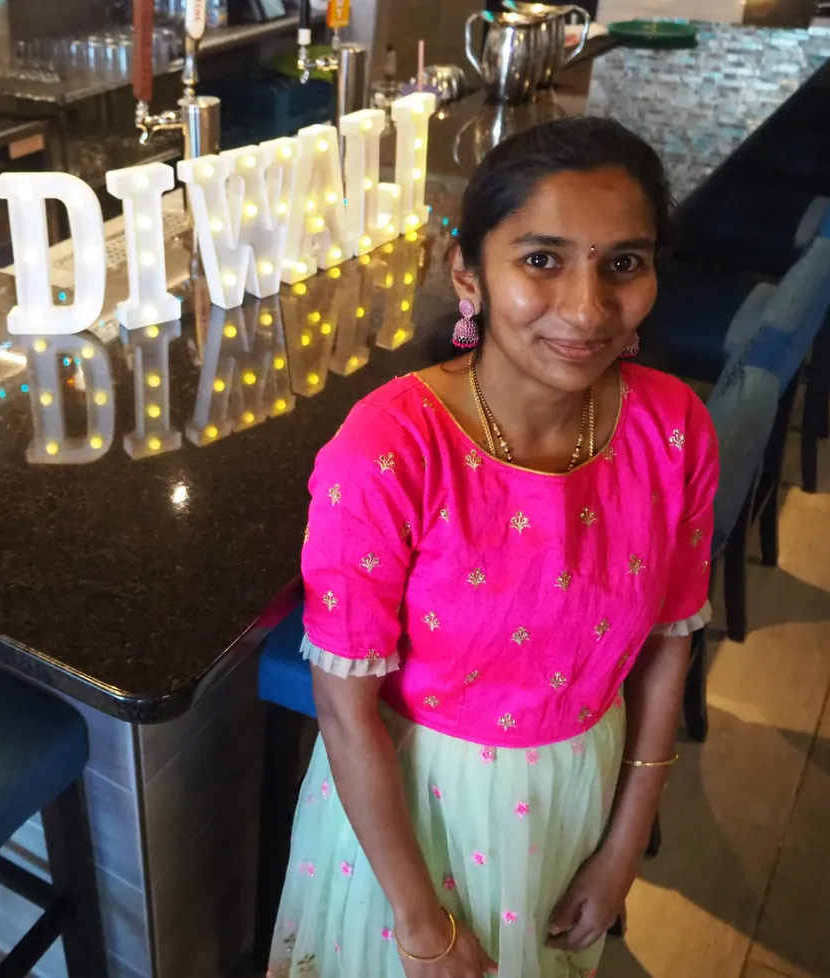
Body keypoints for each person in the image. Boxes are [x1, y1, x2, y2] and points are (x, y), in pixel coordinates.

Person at [268, 117, 718, 978]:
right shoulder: (388, 451)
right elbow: (343, 710)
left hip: (579, 788)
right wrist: (422, 925)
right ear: (467, 274)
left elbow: (669, 646)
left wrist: (626, 844)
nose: (588, 309)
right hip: (411, 819)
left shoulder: (674, 429)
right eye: (541, 260)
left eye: (622, 262)